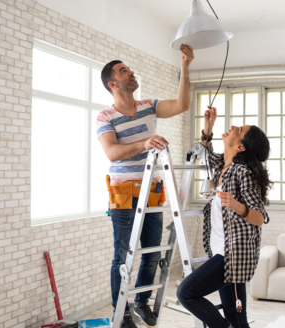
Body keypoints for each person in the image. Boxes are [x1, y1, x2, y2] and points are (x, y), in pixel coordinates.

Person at [97, 44, 195, 328]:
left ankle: (142, 301)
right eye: (124, 71)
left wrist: (185, 68)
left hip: (151, 191)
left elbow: (182, 105)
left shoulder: (149, 106)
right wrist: (144, 143)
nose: (131, 73)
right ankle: (122, 311)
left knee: (152, 251)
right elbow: (113, 153)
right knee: (122, 255)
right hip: (124, 191)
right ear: (113, 84)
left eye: (130, 69)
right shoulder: (105, 117)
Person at [176, 106, 272, 328]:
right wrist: (208, 127)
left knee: (186, 293)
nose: (231, 127)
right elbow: (205, 152)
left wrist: (237, 206)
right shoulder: (222, 166)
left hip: (233, 255)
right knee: (237, 320)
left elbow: (260, 218)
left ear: (240, 146)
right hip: (221, 251)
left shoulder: (243, 173)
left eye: (238, 129)